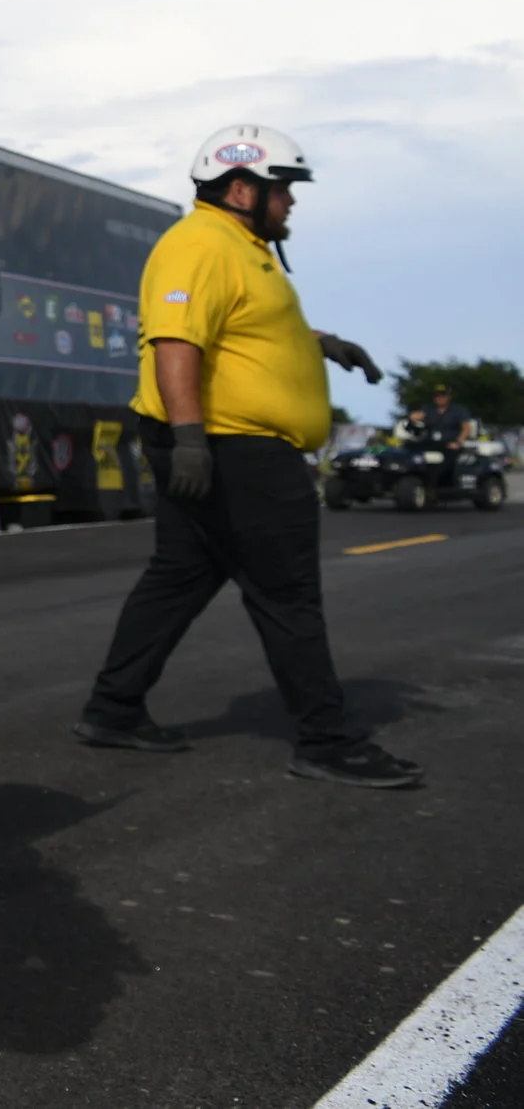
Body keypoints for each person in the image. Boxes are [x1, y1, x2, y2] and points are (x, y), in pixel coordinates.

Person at [74, 124, 421, 788]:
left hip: (227, 443)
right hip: (233, 447)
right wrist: (191, 441)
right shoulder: (201, 242)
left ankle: (113, 707)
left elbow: (245, 327)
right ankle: (327, 740)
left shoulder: (242, 248)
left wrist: (320, 341)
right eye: (283, 189)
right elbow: (175, 342)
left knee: (181, 575)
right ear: (242, 188)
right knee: (287, 592)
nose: (291, 203)